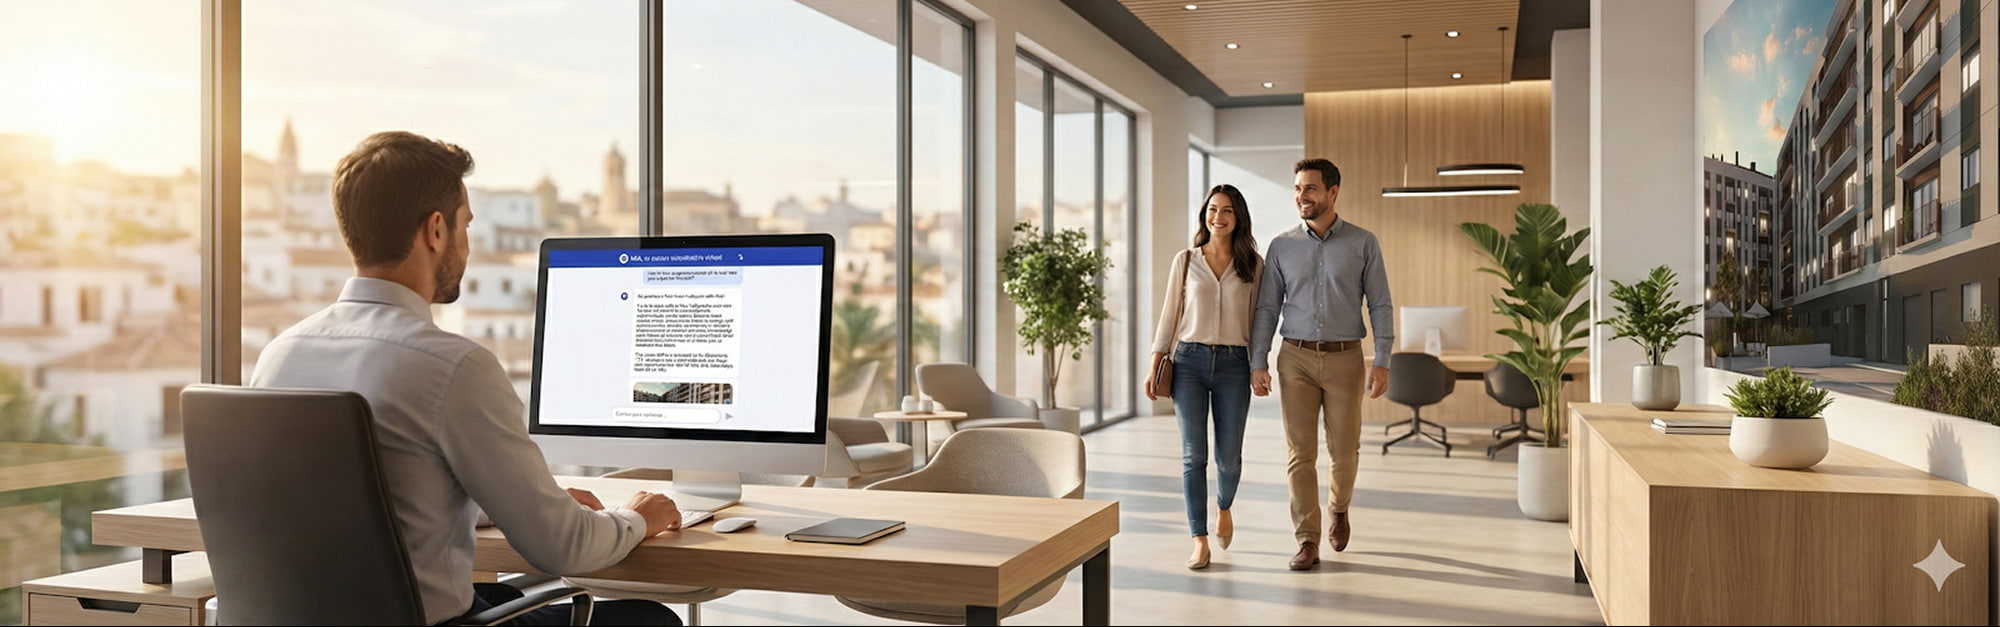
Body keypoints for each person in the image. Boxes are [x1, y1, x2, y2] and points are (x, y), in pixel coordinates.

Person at [249, 131, 683, 626]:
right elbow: (563, 549)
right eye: (465, 225)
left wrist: (491, 505)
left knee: (492, 601)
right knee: (649, 620)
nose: (467, 244)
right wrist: (636, 517)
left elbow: (363, 505)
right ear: (436, 230)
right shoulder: (452, 366)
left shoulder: (279, 355)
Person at [1248, 158, 1394, 572]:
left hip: (1346, 357)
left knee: (1344, 452)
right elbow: (1266, 308)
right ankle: (1307, 539)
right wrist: (1258, 361)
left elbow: (1380, 304)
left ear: (1333, 192)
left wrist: (1382, 358)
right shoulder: (1281, 246)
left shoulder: (1364, 243)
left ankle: (1339, 507)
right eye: (1297, 188)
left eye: (1310, 188)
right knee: (1300, 454)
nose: (1301, 196)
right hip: (1293, 357)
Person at [1147, 184, 1263, 572]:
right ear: (1205, 215)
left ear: (1238, 217)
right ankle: (1198, 538)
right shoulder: (1185, 260)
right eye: (1213, 209)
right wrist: (1155, 361)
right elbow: (1169, 314)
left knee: (1228, 459)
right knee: (1192, 456)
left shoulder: (1253, 265)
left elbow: (1260, 322)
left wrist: (1260, 364)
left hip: (1234, 364)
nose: (1219, 217)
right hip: (1189, 363)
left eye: (1227, 210)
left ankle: (1224, 507)